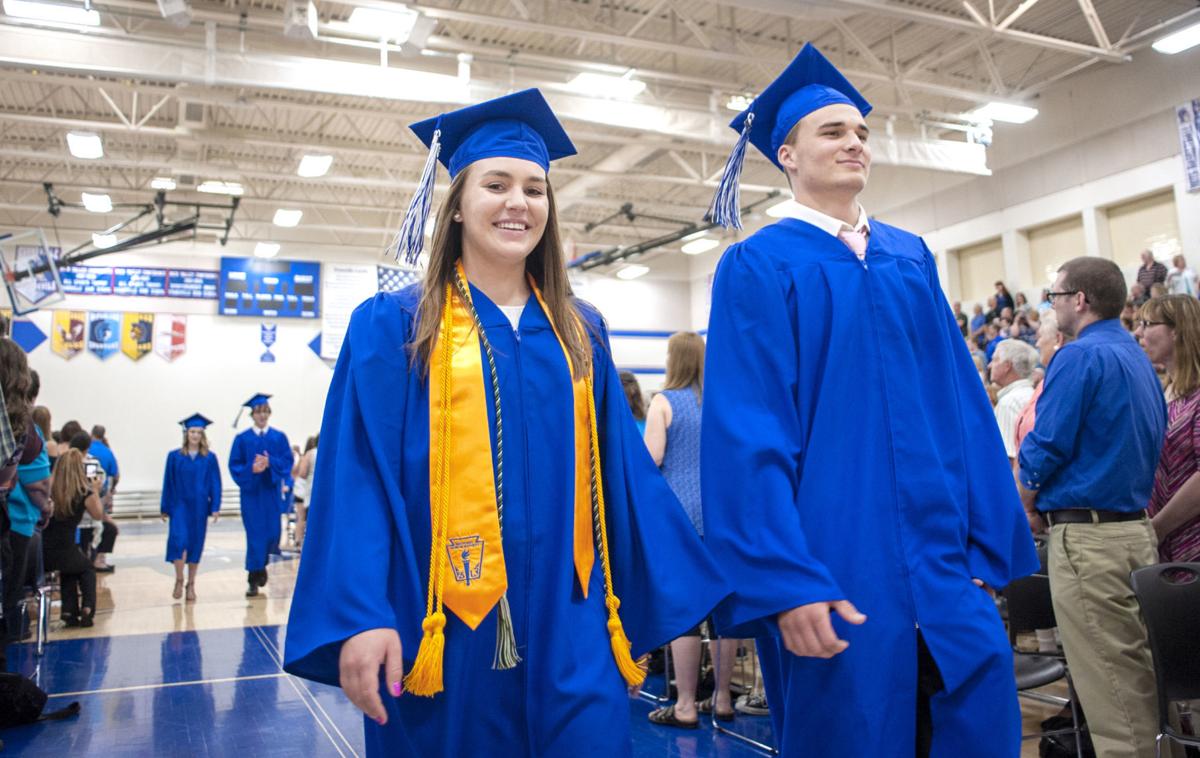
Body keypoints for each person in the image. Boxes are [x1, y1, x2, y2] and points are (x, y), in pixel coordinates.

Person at [283, 89, 727, 757]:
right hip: (444, 621)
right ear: (457, 204)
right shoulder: (394, 328)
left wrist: (700, 578)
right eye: (497, 184)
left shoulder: (582, 332)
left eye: (535, 188)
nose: (519, 202)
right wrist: (361, 614)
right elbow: (358, 478)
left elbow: (625, 475)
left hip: (572, 619)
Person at [700, 44, 1037, 758]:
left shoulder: (909, 255)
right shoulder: (759, 264)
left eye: (861, 132)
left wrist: (982, 544)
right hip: (833, 563)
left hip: (942, 564)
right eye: (832, 132)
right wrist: (784, 581)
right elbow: (747, 436)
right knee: (849, 731)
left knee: (974, 722)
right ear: (786, 154)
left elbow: (962, 409)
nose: (854, 142)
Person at [1018, 257, 1165, 758]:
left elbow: (1046, 446)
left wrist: (1025, 503)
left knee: (1114, 697)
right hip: (1134, 531)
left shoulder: (1078, 357)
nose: (1052, 305)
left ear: (1079, 300)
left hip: (1091, 541)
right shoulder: (1137, 356)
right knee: (1138, 681)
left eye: (1055, 296)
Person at [643, 332, 739, 729]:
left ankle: (683, 703)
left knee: (685, 612)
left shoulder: (664, 402)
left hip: (680, 520)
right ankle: (721, 699)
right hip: (722, 516)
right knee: (725, 613)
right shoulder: (721, 404)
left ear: (672, 360)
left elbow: (653, 458)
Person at [1136, 295, 1200, 562]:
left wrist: (1159, 526)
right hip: (1164, 538)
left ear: (1177, 330)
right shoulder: (1165, 391)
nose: (1139, 332)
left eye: (1148, 323)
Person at [228, 393, 293, 597]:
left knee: (273, 533)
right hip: (252, 495)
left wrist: (270, 462)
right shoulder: (242, 439)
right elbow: (234, 465)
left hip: (271, 493)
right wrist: (252, 469)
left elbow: (287, 462)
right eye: (258, 412)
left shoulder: (278, 437)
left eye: (265, 411)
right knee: (255, 535)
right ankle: (253, 577)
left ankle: (261, 565)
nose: (262, 415)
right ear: (252, 415)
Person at [161, 413, 223, 602]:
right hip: (179, 505)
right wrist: (165, 507)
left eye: (198, 432)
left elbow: (215, 483)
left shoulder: (210, 458)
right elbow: (168, 482)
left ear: (203, 435)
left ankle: (191, 583)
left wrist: (215, 506)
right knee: (179, 542)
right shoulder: (174, 457)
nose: (195, 435)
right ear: (186, 433)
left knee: (196, 544)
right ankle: (179, 579)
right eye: (192, 431)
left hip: (199, 507)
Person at [45, 448, 105, 627]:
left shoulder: (49, 487)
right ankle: (87, 607)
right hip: (66, 546)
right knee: (86, 568)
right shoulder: (82, 493)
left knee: (70, 568)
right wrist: (95, 490)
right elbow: (98, 515)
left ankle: (69, 611)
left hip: (43, 549)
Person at [988, 339, 1038, 462]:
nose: (989, 365)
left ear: (1007, 366)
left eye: (995, 360)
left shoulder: (1009, 403)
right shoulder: (1031, 394)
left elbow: (1009, 458)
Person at [87, 424, 119, 572]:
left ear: (92, 433)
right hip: (101, 494)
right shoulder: (108, 452)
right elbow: (116, 474)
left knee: (93, 525)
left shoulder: (88, 451)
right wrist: (111, 489)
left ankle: (90, 557)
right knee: (103, 524)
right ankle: (99, 559)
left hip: (86, 494)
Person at [290, 434, 317, 548]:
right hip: (308, 492)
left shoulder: (308, 455)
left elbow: (298, 474)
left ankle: (299, 541)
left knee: (302, 518)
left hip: (304, 492)